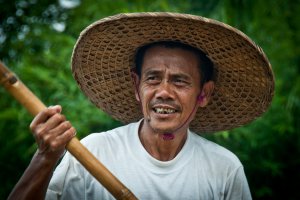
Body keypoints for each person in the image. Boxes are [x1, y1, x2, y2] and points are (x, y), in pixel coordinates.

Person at [8, 12, 274, 200]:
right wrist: (44, 158)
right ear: (137, 86)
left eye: (180, 81)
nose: (164, 92)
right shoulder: (93, 152)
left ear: (204, 94)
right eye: (153, 78)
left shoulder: (224, 169)